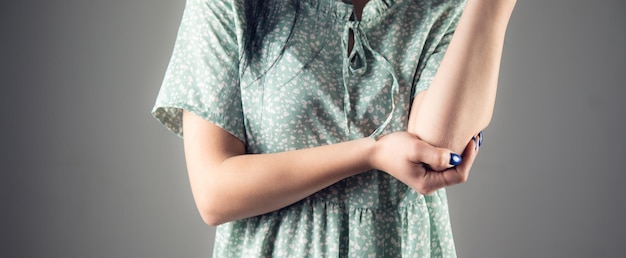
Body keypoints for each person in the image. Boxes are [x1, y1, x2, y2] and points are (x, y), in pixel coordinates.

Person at [152, 0, 516, 256]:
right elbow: (213, 192)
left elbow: (435, 149)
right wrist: (370, 153)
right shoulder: (231, 5)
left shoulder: (439, 6)